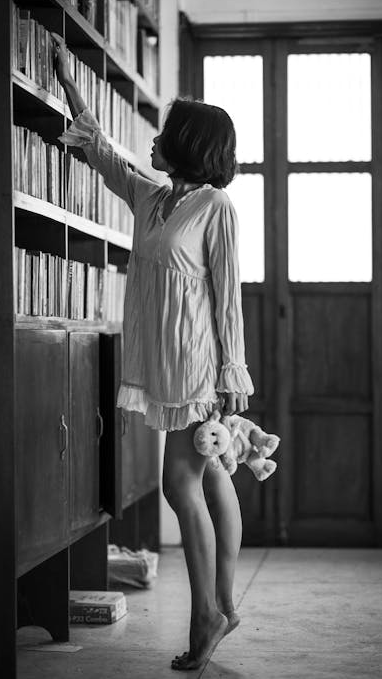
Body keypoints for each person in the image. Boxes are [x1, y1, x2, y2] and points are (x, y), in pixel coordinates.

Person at [52, 33, 254, 671]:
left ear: (190, 145)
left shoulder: (214, 206)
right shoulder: (152, 196)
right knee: (211, 474)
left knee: (179, 483)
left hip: (196, 368)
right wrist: (64, 76)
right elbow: (102, 151)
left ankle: (208, 612)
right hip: (162, 366)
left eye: (166, 132)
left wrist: (230, 374)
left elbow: (228, 300)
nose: (153, 140)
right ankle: (223, 599)